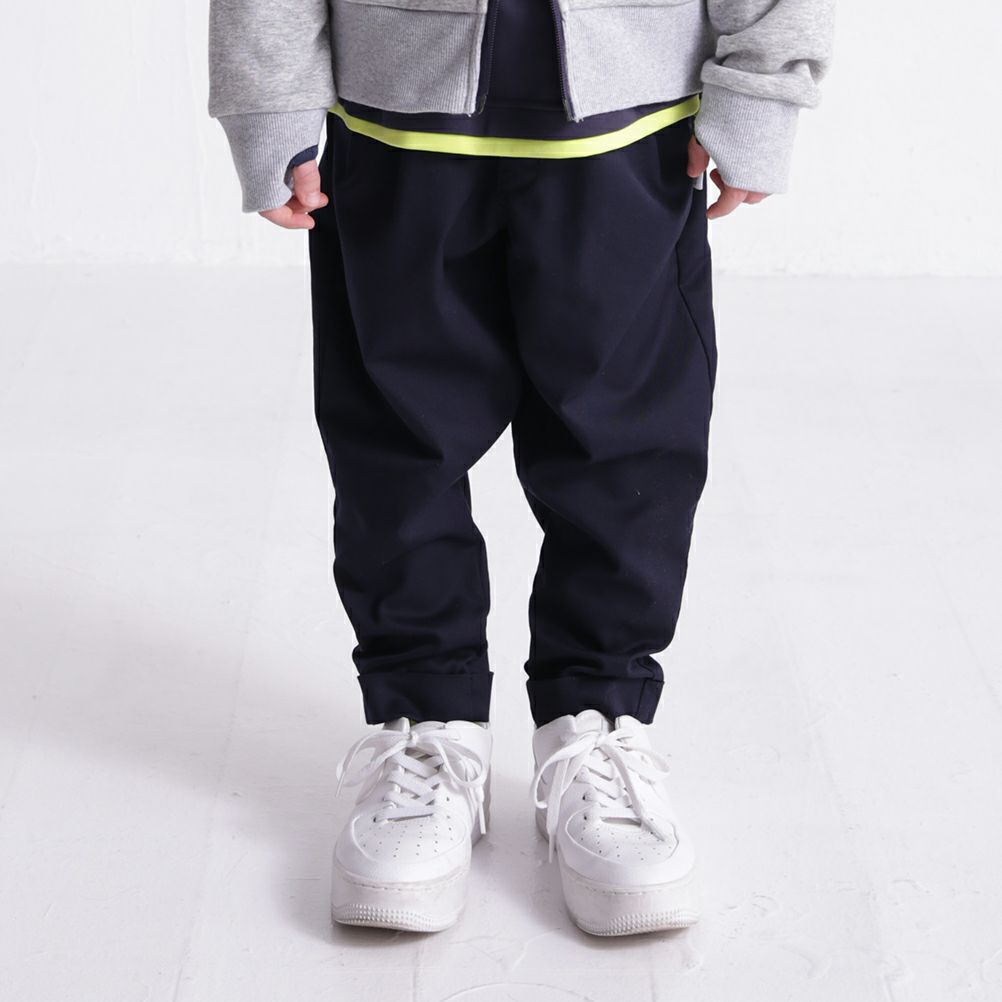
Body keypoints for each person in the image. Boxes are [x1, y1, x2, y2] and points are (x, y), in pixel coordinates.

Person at [209, 0, 833, 936]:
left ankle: (597, 720)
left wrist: (760, 91)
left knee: (625, 453)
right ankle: (428, 724)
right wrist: (270, 104)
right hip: (395, 131)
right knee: (397, 452)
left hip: (630, 134)